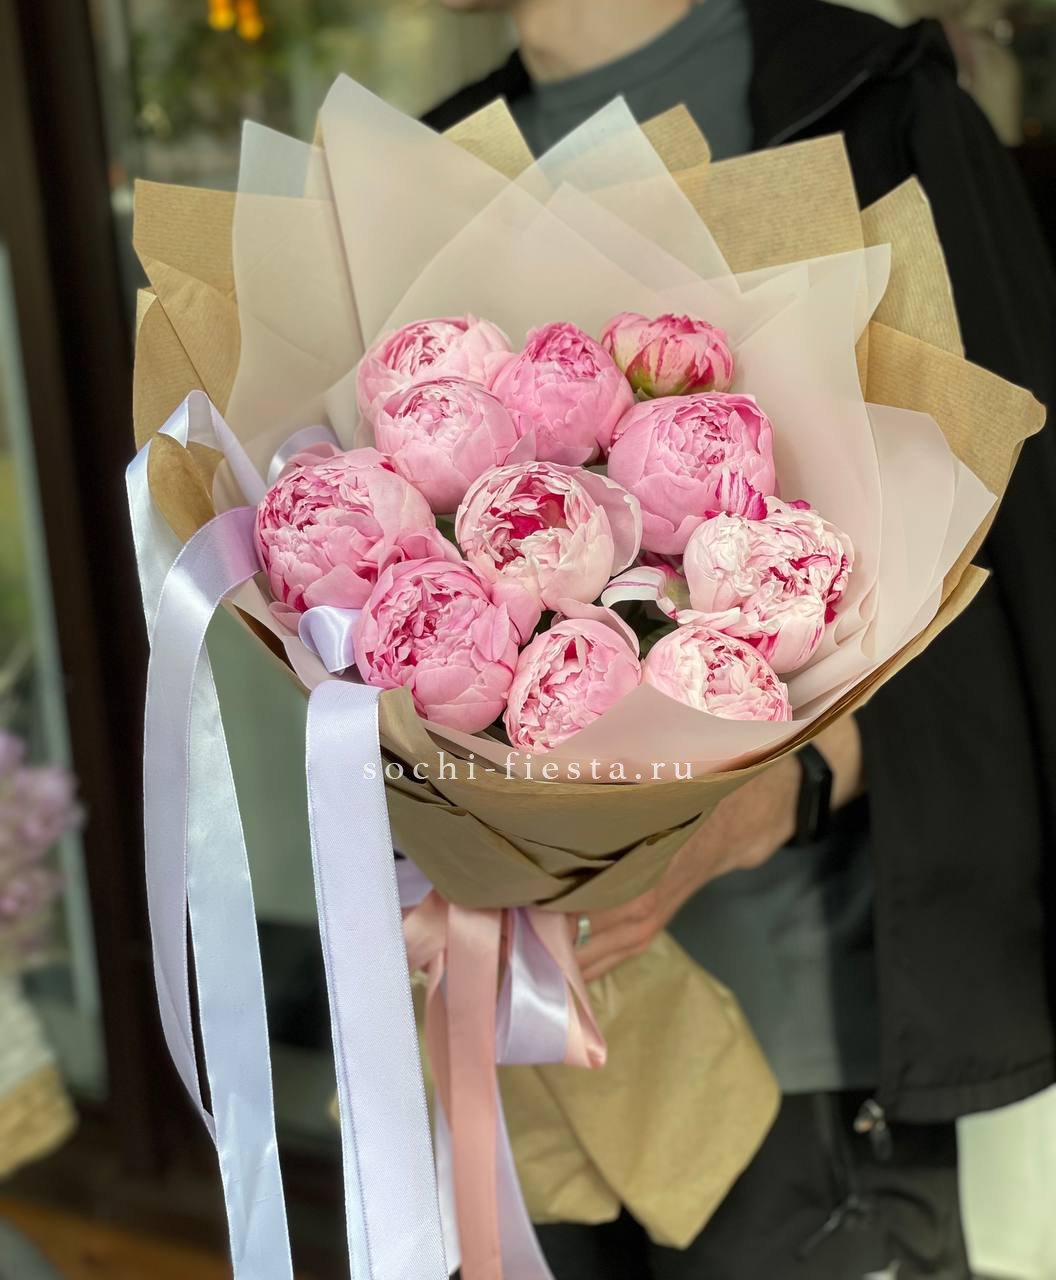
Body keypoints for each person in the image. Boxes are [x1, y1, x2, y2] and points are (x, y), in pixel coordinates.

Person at [425, 1, 1056, 1277]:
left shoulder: (872, 111)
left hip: (799, 1065)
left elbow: (1017, 565)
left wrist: (794, 781)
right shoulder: (431, 166)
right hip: (523, 1065)